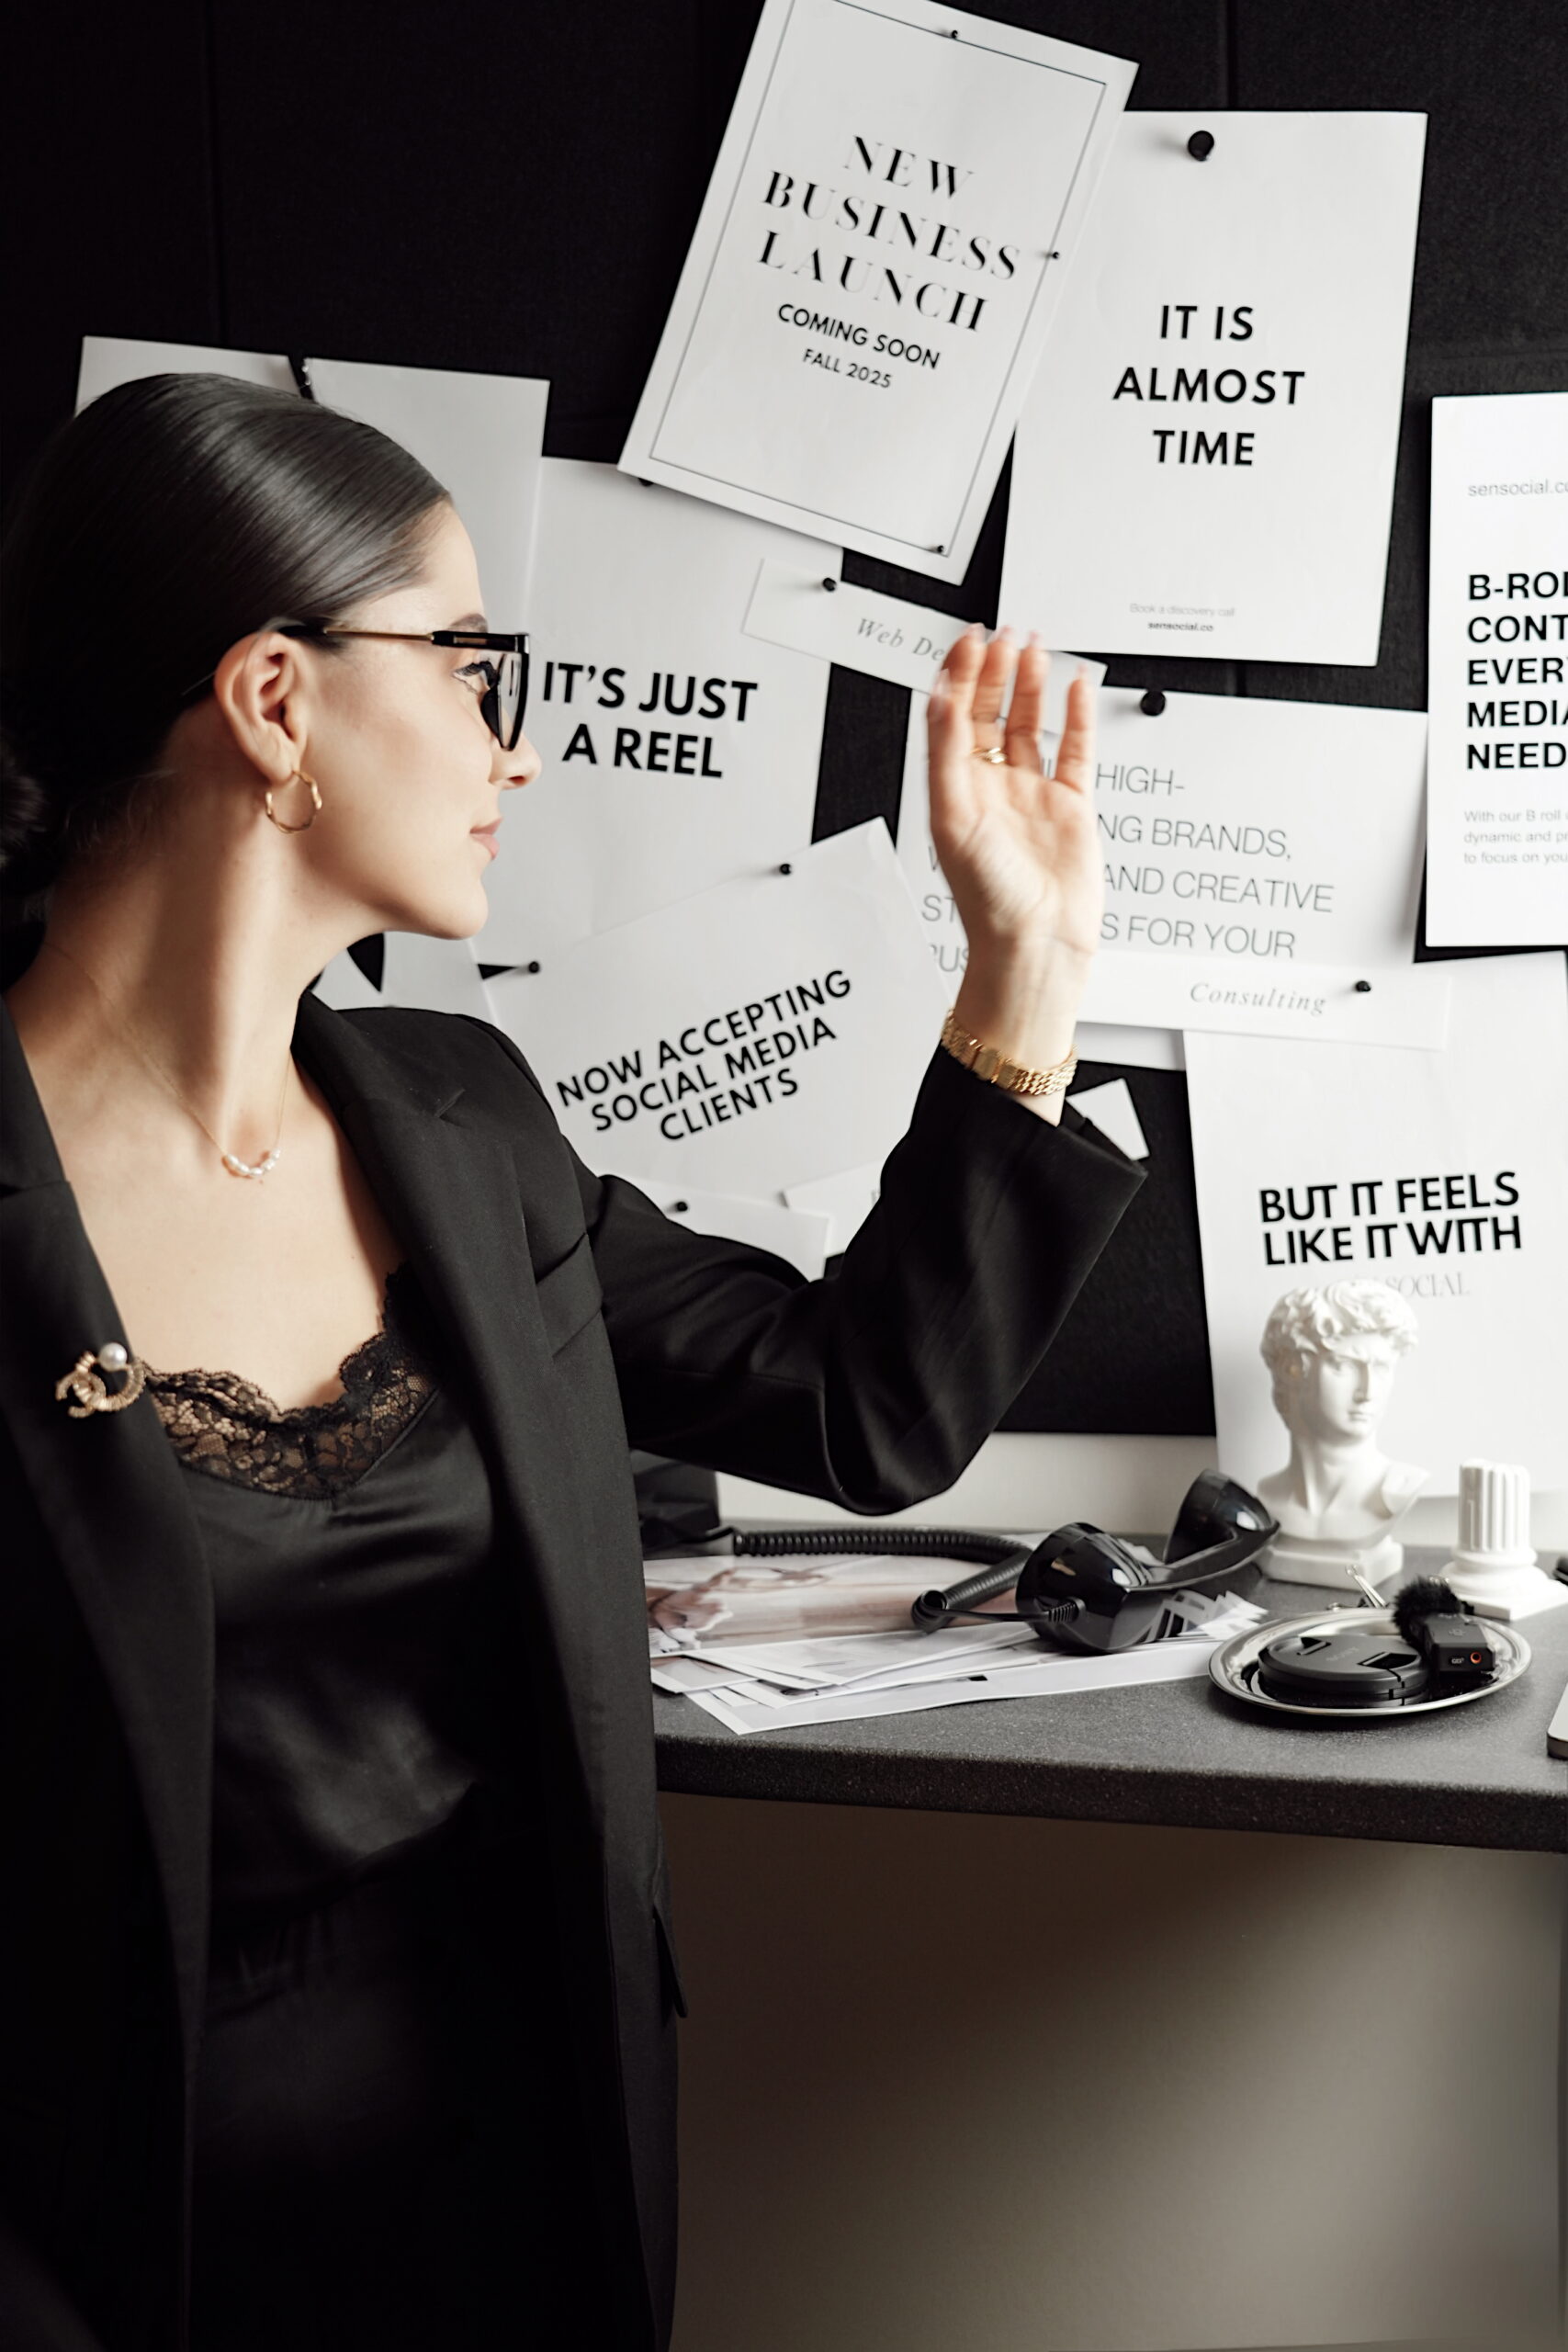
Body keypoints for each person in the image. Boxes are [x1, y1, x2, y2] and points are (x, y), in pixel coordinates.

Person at [0, 372, 1143, 2350]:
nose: (514, 749)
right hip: (106, 2261)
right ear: (274, 699)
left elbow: (866, 1408)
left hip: (523, 2208)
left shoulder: (463, 1115)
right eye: (468, 665)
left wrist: (1017, 971)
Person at [1257, 1280, 1426, 1587]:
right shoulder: (1269, 1497)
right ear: (1294, 1370)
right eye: (1344, 1366)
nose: (1368, 1391)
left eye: (1383, 1368)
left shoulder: (1399, 1489)